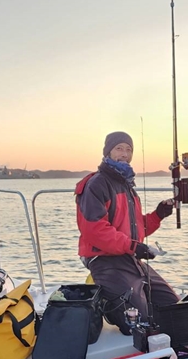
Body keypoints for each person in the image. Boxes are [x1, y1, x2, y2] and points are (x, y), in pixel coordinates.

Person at [75, 131, 179, 332]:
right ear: (107, 152)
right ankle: (106, 303)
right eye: (119, 148)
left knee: (172, 305)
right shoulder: (97, 184)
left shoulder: (126, 184)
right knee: (137, 322)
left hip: (128, 258)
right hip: (104, 260)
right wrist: (134, 247)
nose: (124, 154)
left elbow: (134, 228)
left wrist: (158, 215)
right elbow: (95, 230)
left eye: (128, 149)